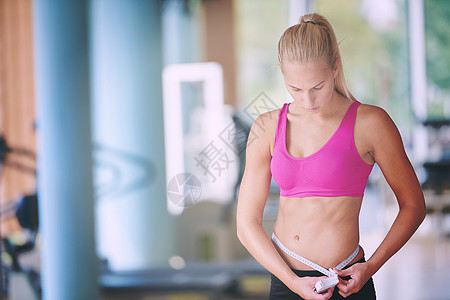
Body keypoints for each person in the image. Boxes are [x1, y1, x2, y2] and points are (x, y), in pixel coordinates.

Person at [236, 13, 426, 300]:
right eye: (296, 89)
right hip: (287, 284)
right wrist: (290, 282)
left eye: (318, 87)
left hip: (348, 281)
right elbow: (246, 223)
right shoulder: (266, 126)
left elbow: (413, 205)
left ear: (335, 67)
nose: (308, 101)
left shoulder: (371, 123)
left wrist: (371, 266)